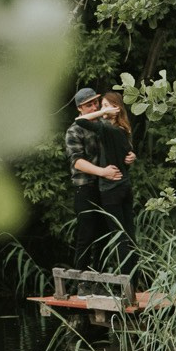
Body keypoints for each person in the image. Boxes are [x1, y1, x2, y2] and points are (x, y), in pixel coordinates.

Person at [65, 86, 135, 273]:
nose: (95, 107)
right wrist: (102, 172)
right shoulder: (75, 130)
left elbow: (119, 148)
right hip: (86, 187)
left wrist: (130, 157)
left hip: (106, 187)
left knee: (104, 237)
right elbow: (77, 162)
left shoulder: (105, 126)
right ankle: (82, 282)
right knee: (86, 236)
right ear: (80, 108)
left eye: (96, 102)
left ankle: (99, 279)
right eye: (89, 105)